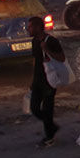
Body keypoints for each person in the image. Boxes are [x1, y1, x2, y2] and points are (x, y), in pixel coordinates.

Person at [27, 16, 64, 147]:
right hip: (38, 81)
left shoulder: (51, 41)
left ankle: (49, 136)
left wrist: (46, 50)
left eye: (30, 26)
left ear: (38, 27)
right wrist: (32, 80)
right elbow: (35, 61)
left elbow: (61, 58)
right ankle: (51, 126)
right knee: (34, 108)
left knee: (47, 109)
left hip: (50, 81)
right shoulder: (34, 41)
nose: (28, 29)